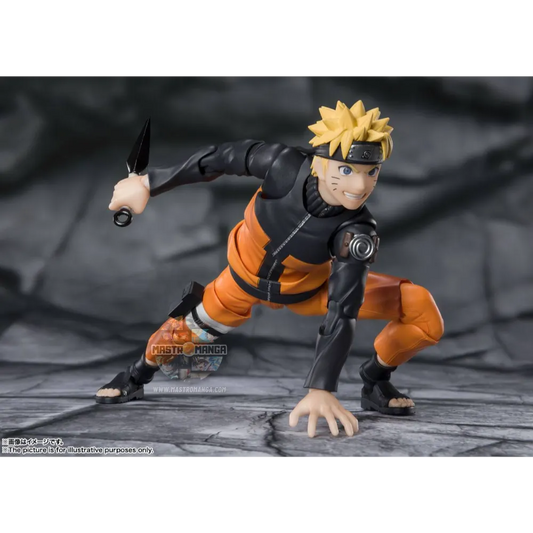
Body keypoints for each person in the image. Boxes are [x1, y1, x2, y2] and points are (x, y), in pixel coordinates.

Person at [96, 100, 444, 438]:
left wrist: (321, 388)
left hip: (309, 291)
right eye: (346, 170)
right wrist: (149, 183)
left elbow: (343, 307)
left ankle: (376, 378)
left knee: (421, 310)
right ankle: (135, 376)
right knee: (179, 335)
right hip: (239, 282)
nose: (360, 186)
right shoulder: (283, 165)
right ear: (320, 163)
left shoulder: (357, 230)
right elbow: (221, 157)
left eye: (372, 172)